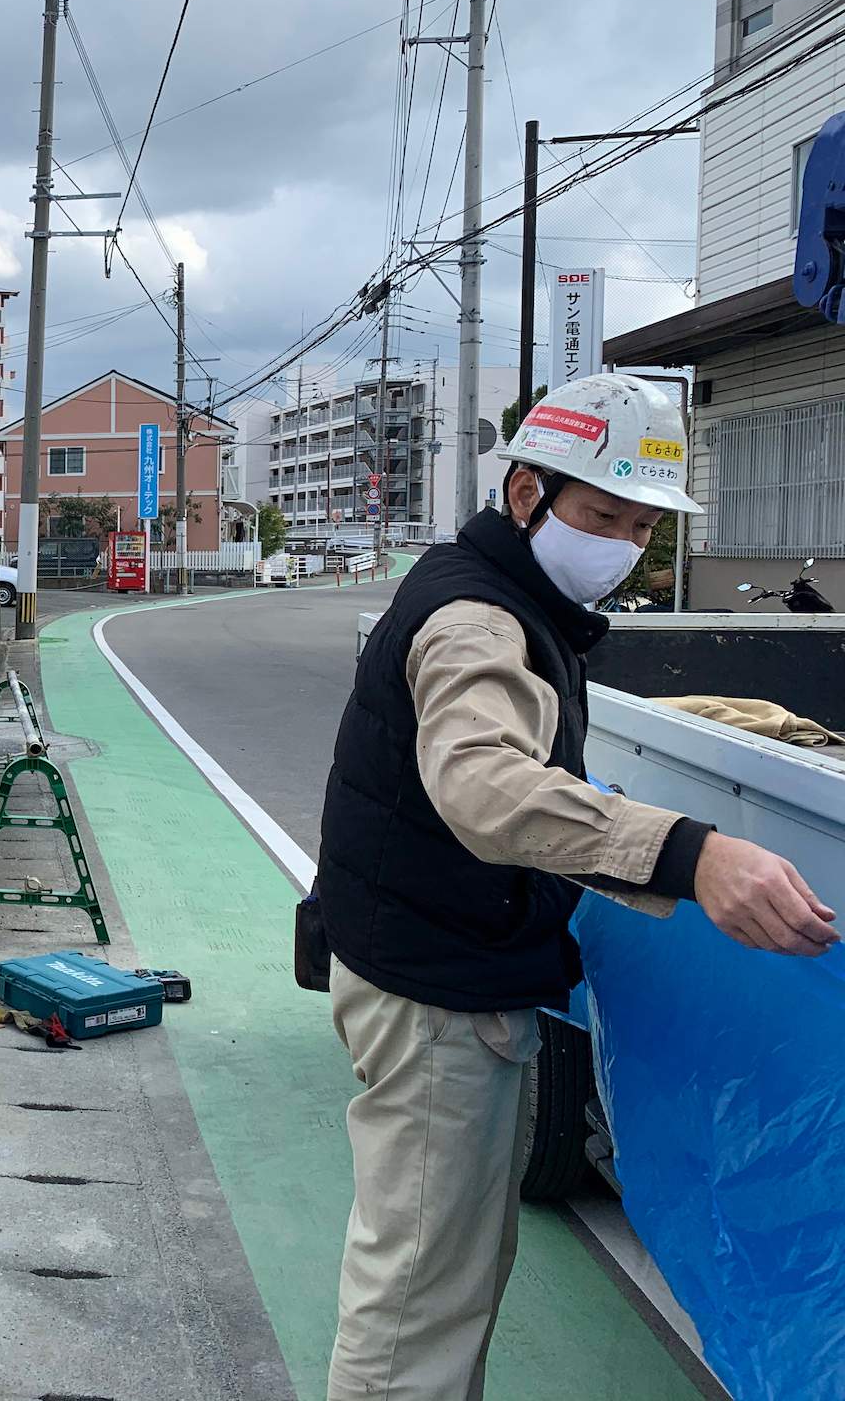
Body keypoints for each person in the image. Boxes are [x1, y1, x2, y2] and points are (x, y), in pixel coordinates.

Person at [312, 373, 838, 1401]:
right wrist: (694, 853)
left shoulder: (507, 591)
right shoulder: (476, 620)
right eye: (601, 514)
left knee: (443, 1271)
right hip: (434, 993)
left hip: (431, 962)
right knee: (420, 1292)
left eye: (642, 526)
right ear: (525, 493)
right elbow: (482, 784)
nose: (621, 544)